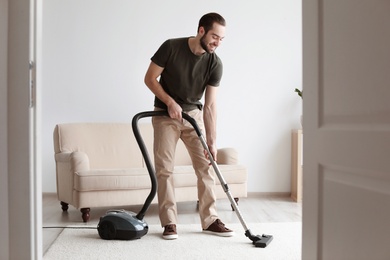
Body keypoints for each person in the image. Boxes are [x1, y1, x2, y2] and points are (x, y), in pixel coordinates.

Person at [144, 12, 233, 240]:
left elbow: (211, 105)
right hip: (165, 115)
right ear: (201, 30)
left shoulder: (215, 63)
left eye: (222, 39)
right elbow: (150, 78)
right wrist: (170, 101)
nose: (218, 43)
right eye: (215, 36)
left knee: (206, 165)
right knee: (164, 169)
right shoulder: (171, 47)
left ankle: (210, 219)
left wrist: (212, 141)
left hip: (194, 116)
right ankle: (170, 222)